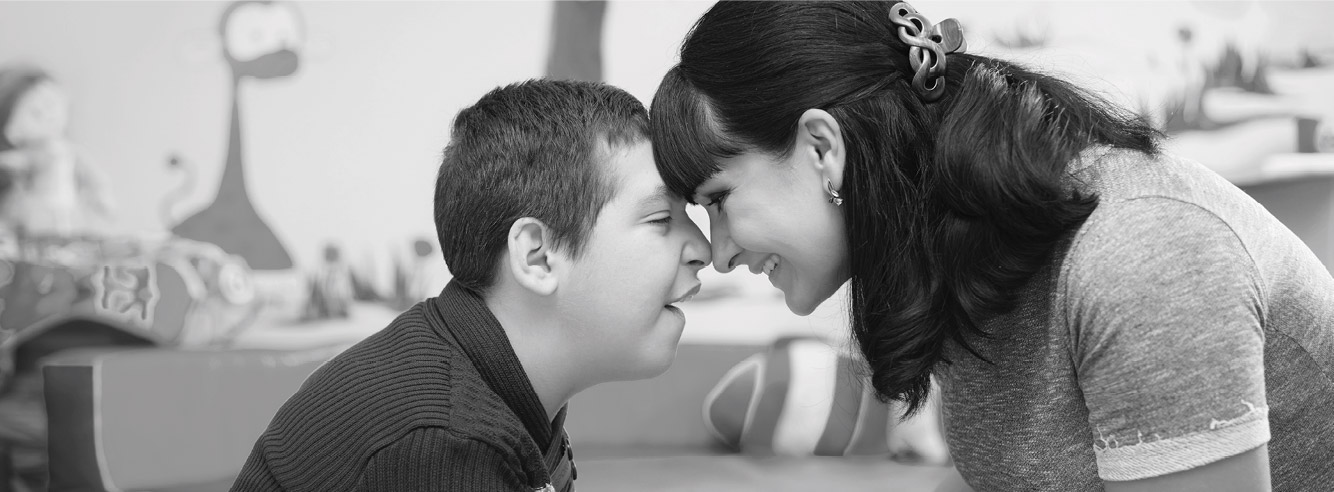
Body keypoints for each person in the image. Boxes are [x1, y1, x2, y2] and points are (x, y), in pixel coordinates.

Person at [648, 2, 1334, 491]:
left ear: (823, 148)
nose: (720, 254)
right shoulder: (960, 244)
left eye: (719, 201)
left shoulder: (1141, 253)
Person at [232, 79, 710, 491]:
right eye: (660, 218)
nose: (703, 249)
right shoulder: (443, 438)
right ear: (538, 256)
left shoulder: (498, 392)